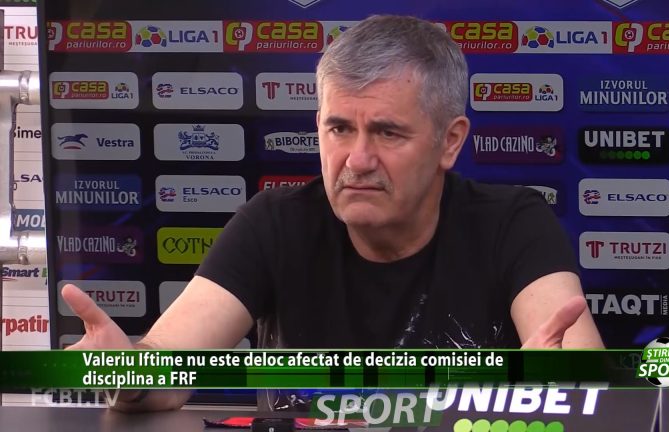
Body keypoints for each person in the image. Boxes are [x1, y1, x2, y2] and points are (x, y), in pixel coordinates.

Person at [60, 14, 603, 412]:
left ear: (450, 141)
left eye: (387, 133)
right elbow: (166, 373)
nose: (358, 160)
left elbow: (584, 374)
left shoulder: (512, 223)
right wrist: (124, 373)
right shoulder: (273, 223)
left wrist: (563, 387)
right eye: (339, 128)